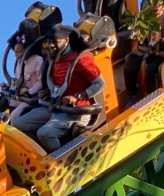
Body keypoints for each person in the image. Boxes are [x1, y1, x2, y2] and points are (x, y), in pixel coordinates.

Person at [12, 25, 107, 153]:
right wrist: (47, 92)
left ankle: (65, 159)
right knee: (18, 126)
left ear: (66, 41)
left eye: (55, 42)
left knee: (44, 134)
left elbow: (101, 84)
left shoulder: (81, 60)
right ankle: (42, 153)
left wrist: (77, 97)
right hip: (56, 107)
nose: (51, 46)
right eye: (50, 42)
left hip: (76, 111)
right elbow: (56, 86)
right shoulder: (54, 60)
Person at [6, 32, 45, 122]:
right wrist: (10, 85)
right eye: (15, 52)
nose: (17, 55)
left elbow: (40, 82)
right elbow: (18, 79)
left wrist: (29, 91)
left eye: (19, 52)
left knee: (14, 115)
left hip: (32, 97)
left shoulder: (37, 60)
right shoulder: (18, 62)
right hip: (19, 95)